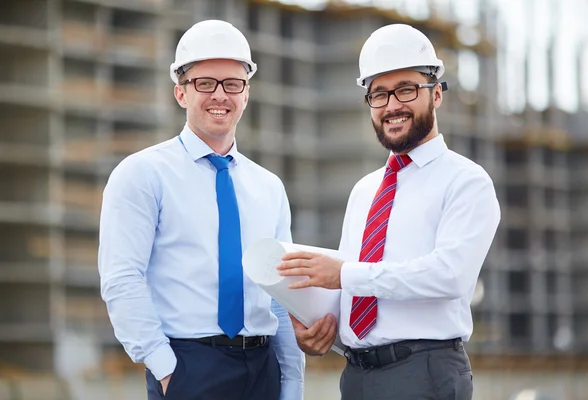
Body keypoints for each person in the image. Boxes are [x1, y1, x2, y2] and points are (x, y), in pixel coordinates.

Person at [277, 24, 501, 400]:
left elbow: (450, 276)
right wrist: (320, 331)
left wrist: (345, 274)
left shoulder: (466, 181)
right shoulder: (365, 189)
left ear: (437, 95)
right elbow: (351, 289)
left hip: (424, 373)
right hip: (357, 375)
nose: (392, 105)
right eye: (379, 94)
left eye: (406, 90)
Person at [98, 19, 304, 400]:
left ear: (246, 93)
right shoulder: (142, 174)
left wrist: (291, 381)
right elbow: (122, 278)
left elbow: (280, 293)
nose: (219, 95)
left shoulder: (269, 187)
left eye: (232, 84)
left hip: (263, 368)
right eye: (204, 83)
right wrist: (165, 368)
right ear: (181, 93)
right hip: (188, 368)